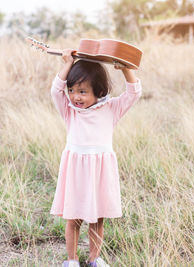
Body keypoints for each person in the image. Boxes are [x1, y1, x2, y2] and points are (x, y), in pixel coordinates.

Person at [50, 49, 142, 267]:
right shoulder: (70, 111)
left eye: (82, 91)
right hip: (76, 170)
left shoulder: (111, 109)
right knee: (73, 218)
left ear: (99, 91)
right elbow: (56, 91)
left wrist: (126, 69)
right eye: (71, 90)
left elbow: (133, 93)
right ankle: (71, 260)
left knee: (98, 217)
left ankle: (94, 258)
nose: (75, 97)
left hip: (100, 171)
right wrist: (67, 64)